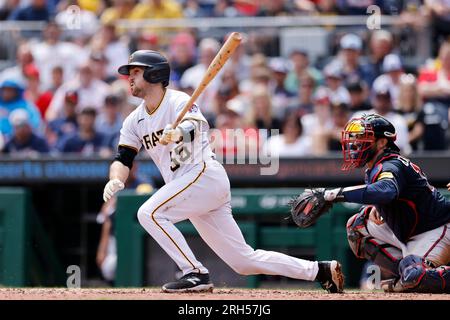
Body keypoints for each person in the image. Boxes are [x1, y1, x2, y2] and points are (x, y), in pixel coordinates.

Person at [102, 49, 344, 293]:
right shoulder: (134, 120)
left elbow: (197, 126)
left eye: (135, 72)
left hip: (202, 175)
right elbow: (123, 158)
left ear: (154, 74)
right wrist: (115, 179)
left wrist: (178, 133)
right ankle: (319, 270)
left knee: (149, 213)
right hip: (190, 189)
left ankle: (194, 272)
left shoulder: (177, 101)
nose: (129, 78)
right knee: (244, 262)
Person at [319, 114, 450, 293]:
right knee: (358, 226)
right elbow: (391, 195)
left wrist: (334, 194)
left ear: (381, 143)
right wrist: (376, 206)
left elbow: (386, 190)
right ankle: (406, 273)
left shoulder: (391, 165)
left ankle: (411, 275)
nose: (356, 143)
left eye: (364, 138)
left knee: (416, 278)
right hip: (409, 231)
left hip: (435, 229)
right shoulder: (376, 166)